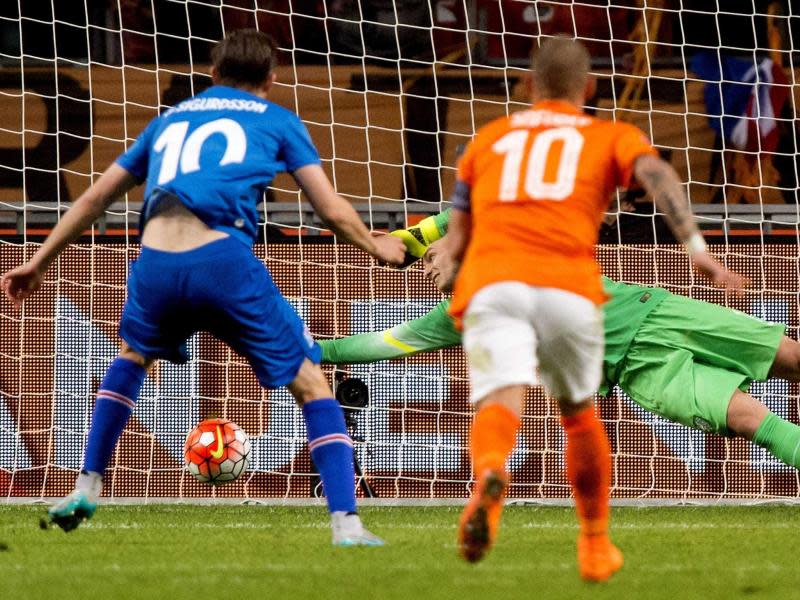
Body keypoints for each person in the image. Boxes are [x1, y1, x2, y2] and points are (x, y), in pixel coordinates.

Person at [1, 29, 405, 545]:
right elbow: (328, 209)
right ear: (271, 80)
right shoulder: (279, 120)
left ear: (212, 76)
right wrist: (378, 248)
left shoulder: (168, 120)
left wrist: (37, 262)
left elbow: (94, 199)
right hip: (222, 260)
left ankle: (85, 486)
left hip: (155, 263)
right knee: (311, 383)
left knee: (129, 359)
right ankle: (346, 523)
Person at [433, 36, 745, 580]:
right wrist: (699, 252)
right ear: (591, 87)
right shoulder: (610, 135)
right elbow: (659, 176)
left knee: (500, 400)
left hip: (494, 281)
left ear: (527, 86)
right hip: (567, 285)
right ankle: (596, 543)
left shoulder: (488, 140)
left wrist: (450, 267)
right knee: (577, 413)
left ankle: (489, 475)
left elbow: (458, 238)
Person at [322, 229, 800, 472]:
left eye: (429, 259)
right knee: (747, 419)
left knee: (792, 359)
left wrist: (413, 237)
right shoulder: (458, 314)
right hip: (641, 369)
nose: (424, 270)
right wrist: (311, 349)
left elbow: (465, 213)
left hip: (656, 313)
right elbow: (379, 343)